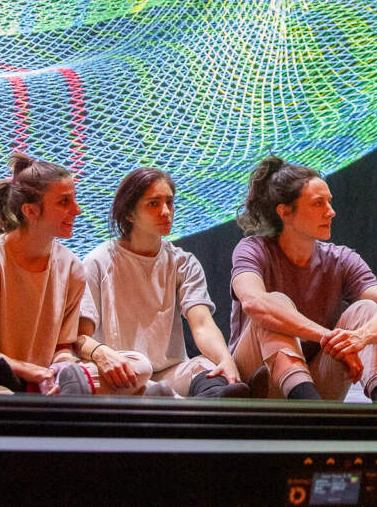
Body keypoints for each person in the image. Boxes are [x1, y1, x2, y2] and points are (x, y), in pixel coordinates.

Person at [0, 153, 149, 395]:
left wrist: (60, 368)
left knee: (140, 365)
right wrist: (35, 373)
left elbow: (63, 346)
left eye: (74, 200)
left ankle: (61, 392)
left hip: (41, 378)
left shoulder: (71, 266)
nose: (76, 210)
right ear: (30, 211)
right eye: (64, 202)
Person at [228, 156, 377, 402]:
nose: (331, 212)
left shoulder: (341, 258)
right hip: (260, 381)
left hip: (318, 386)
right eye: (318, 203)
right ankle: (312, 419)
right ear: (284, 211)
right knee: (272, 305)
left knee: (368, 309)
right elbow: (254, 303)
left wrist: (359, 337)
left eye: (329, 202)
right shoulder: (253, 249)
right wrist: (325, 336)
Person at [76, 167, 248, 399]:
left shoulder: (182, 262)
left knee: (208, 369)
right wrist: (102, 354)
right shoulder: (98, 261)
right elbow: (79, 337)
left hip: (170, 372)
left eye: (169, 202)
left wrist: (225, 360)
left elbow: (202, 324)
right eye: (153, 204)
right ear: (129, 214)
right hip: (120, 374)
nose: (166, 211)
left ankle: (207, 416)